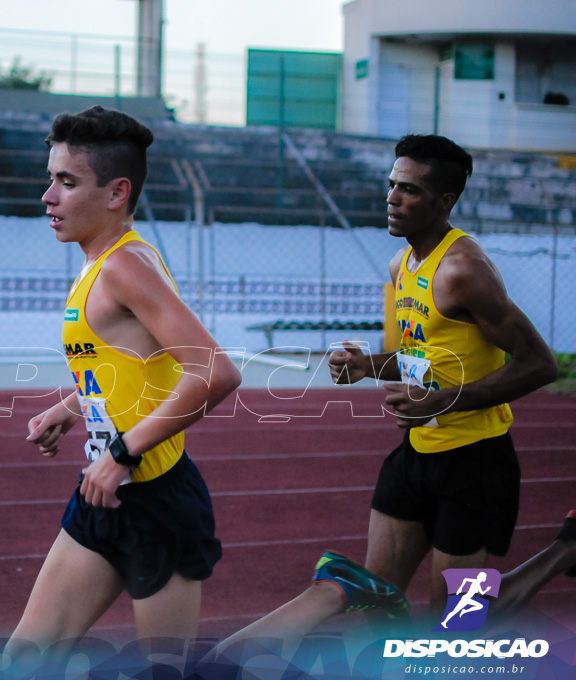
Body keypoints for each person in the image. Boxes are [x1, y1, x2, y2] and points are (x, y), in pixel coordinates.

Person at [201, 134, 573, 664]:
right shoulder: (402, 266)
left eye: (410, 190)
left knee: (461, 629)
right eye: (392, 185)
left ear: (444, 202)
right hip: (415, 454)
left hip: (475, 465)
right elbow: (415, 358)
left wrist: (446, 402)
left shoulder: (464, 269)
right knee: (376, 603)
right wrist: (365, 366)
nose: (393, 198)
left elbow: (541, 363)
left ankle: (565, 549)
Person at [3, 106, 242, 672]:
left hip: (155, 498)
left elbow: (215, 372)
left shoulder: (125, 267)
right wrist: (70, 406)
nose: (48, 196)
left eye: (67, 181)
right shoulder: (103, 262)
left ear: (117, 193)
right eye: (51, 178)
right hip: (103, 492)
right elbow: (132, 361)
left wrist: (120, 452)